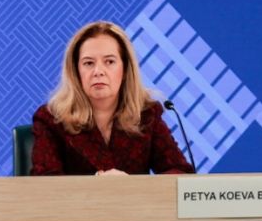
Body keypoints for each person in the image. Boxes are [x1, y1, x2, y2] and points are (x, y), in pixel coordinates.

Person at [31, 21, 193, 176]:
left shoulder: (146, 115)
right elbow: (45, 182)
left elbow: (179, 173)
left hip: (134, 204)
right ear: (76, 71)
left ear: (125, 69)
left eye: (109, 61)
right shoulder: (52, 118)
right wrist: (99, 184)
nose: (98, 71)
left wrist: (130, 186)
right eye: (88, 63)